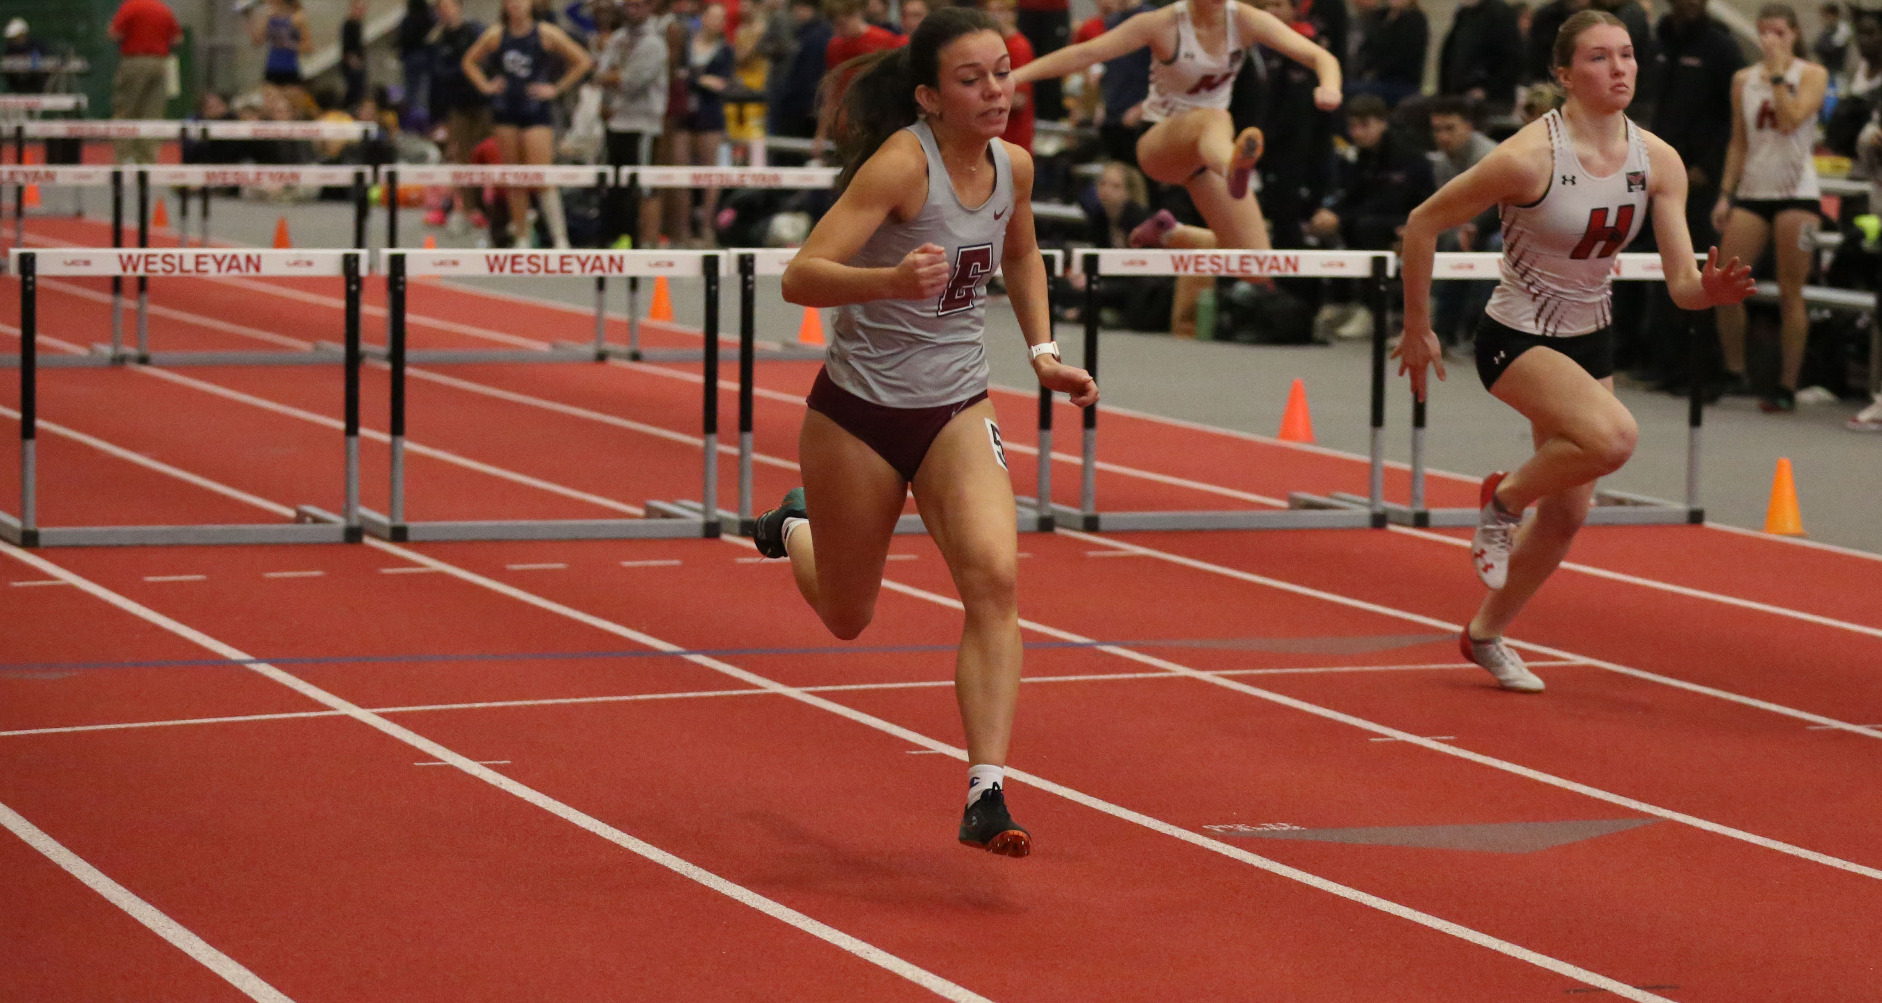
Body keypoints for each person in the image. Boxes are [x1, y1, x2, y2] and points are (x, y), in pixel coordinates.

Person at [753, 7, 1098, 856]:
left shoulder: (1014, 166)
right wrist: (888, 281)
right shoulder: (902, 165)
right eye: (972, 80)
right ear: (930, 97)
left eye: (1002, 73)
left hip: (956, 407)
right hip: (858, 415)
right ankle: (794, 524)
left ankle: (987, 790)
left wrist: (1044, 353)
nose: (996, 92)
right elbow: (800, 276)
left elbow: (1021, 254)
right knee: (847, 613)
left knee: (995, 579)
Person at [1393, 11, 1755, 692]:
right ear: (1563, 74)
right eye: (1598, 57)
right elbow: (1422, 223)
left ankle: (1484, 634)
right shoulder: (1527, 157)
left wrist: (1708, 292)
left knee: (1567, 515)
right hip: (1517, 337)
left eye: (1627, 54)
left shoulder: (1658, 160)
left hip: (1591, 337)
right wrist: (1419, 326)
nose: (1619, 68)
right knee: (1614, 437)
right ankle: (1504, 499)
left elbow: (1681, 287)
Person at [1012, 0, 1341, 255]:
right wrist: (1015, 77)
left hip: (1207, 155)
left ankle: (1172, 233)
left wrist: (1330, 87)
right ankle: (1232, 167)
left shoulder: (1244, 19)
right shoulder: (1162, 23)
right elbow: (1085, 53)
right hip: (1161, 142)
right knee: (1215, 117)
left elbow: (1320, 57)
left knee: (1255, 259)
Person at [1712, 4, 1827, 413]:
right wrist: (1726, 194)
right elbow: (1738, 141)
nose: (1770, 40)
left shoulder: (1811, 74)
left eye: (1778, 32)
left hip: (1797, 192)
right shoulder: (1743, 79)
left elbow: (1792, 118)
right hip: (1754, 190)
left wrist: (1778, 74)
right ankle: (1735, 369)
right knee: (1726, 280)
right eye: (1763, 32)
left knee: (1790, 290)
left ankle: (1787, 384)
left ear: (1794, 34)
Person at [463, 0, 594, 248]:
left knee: (542, 174)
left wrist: (556, 88)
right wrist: (486, 86)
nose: (517, 5)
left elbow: (582, 60)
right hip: (506, 110)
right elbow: (469, 61)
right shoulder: (496, 35)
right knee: (514, 177)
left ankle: (559, 237)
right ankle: (521, 235)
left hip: (535, 109)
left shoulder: (545, 33)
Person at [598, 0, 669, 247]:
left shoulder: (654, 44)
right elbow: (600, 74)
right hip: (616, 122)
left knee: (645, 186)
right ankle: (619, 238)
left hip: (643, 124)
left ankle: (648, 242)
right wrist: (611, 78)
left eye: (637, 5)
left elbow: (630, 82)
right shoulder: (617, 39)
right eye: (628, 6)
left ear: (649, 8)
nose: (632, 11)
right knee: (615, 186)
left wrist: (613, 76)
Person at [431, 0, 493, 235]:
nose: (445, 11)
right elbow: (439, 73)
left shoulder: (476, 31)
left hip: (484, 103)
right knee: (463, 158)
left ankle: (495, 208)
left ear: (458, 6)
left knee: (490, 156)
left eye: (448, 6)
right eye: (441, 8)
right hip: (458, 105)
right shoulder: (439, 39)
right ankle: (467, 209)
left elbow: (485, 62)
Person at [674, 2, 734, 243]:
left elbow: (720, 84)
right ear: (703, 18)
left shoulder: (725, 50)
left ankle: (706, 227)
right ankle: (682, 229)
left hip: (710, 114)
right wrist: (701, 80)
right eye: (711, 17)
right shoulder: (685, 45)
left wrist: (694, 78)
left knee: (710, 173)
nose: (715, 22)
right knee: (681, 172)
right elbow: (680, 76)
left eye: (720, 18)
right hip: (684, 113)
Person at [107, 0, 181, 164]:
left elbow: (114, 34)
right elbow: (177, 39)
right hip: (160, 63)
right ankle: (147, 160)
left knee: (125, 111)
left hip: (135, 60)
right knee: (152, 114)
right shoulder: (163, 9)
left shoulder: (131, 7)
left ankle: (124, 158)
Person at [247, 0, 313, 91]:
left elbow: (308, 47)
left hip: (289, 70)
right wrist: (249, 18)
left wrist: (289, 44)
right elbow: (257, 42)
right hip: (271, 69)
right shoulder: (268, 16)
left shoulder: (297, 17)